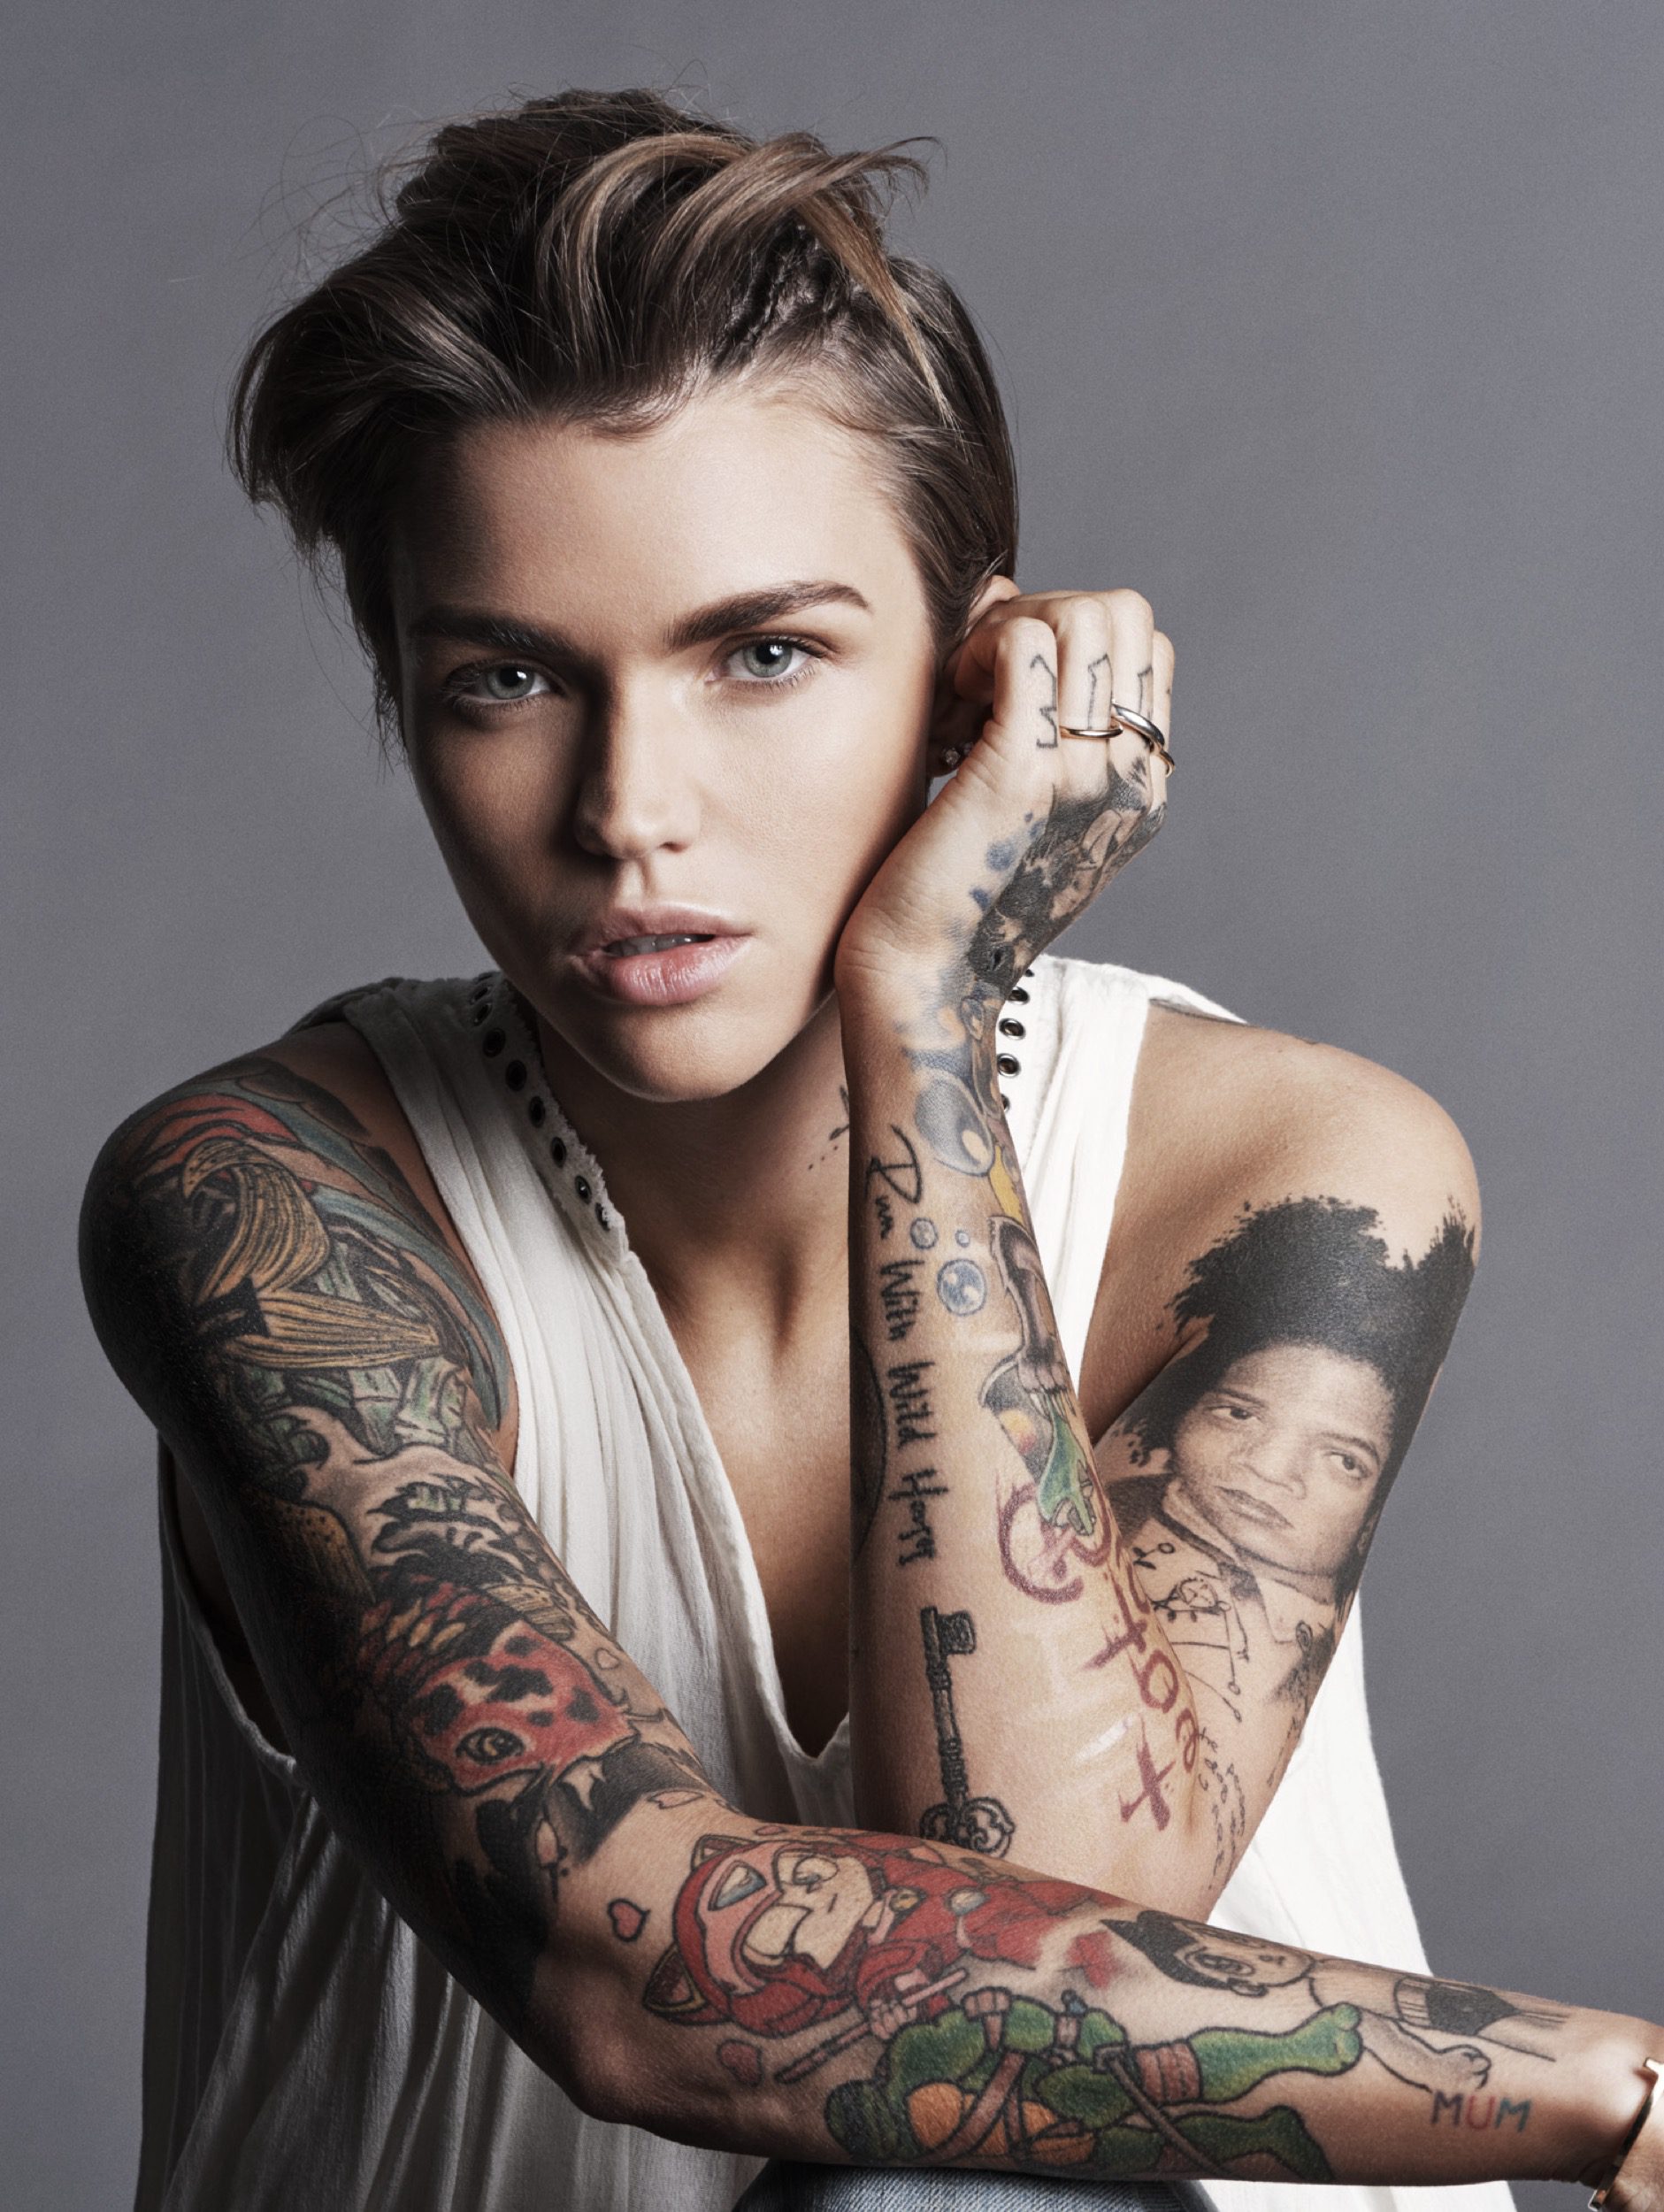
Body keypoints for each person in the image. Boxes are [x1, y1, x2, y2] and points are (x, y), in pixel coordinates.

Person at [76, 86, 1664, 2212]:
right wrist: (1603, 2085)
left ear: (973, 683)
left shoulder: (1297, 1173)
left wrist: (923, 1007)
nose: (629, 809)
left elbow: (1061, 1914)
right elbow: (678, 1982)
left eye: (764, 655)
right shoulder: (267, 1203)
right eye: (508, 678)